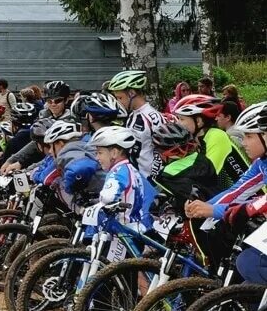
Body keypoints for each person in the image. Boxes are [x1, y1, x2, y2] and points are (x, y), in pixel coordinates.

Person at [184, 102, 267, 283]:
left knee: (249, 262)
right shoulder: (262, 163)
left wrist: (215, 210)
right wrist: (204, 206)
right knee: (247, 287)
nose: (243, 142)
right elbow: (237, 190)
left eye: (249, 136)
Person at [171, 93, 250, 187]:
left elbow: (205, 175)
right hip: (229, 195)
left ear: (198, 121)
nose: (177, 123)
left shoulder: (216, 135)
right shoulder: (200, 139)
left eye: (181, 119)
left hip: (251, 196)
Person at [88, 125, 156, 230]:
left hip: (129, 228)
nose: (97, 158)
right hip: (143, 224)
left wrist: (94, 203)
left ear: (114, 153)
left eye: (100, 153)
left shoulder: (118, 172)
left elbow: (107, 197)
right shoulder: (130, 168)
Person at [106, 69, 165, 178]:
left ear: (132, 93)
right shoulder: (132, 115)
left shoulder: (152, 117)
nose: (118, 102)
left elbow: (162, 151)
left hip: (150, 180)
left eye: (120, 98)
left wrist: (154, 177)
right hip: (135, 177)